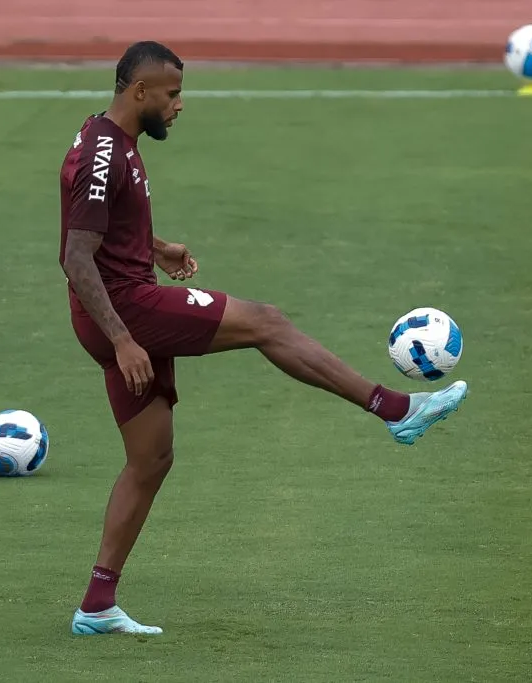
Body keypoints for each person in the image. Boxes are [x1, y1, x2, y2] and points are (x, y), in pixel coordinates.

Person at [59, 41, 468, 636]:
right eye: (172, 94)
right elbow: (76, 257)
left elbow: (100, 231)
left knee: (151, 460)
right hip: (123, 311)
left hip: (118, 306)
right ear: (139, 91)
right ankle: (395, 409)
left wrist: (156, 247)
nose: (179, 105)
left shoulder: (113, 141)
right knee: (266, 321)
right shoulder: (103, 154)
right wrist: (123, 340)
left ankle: (96, 605)